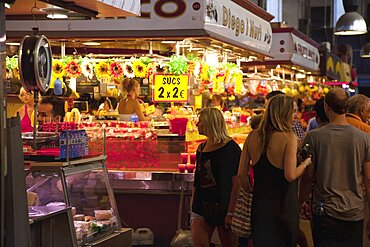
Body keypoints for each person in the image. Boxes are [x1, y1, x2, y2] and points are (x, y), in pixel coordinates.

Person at [229, 94, 311, 247]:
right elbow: (290, 175)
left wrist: (252, 190)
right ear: (284, 113)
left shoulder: (253, 136)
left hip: (260, 208)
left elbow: (241, 174)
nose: (295, 115)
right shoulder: (289, 138)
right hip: (285, 208)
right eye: (292, 111)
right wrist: (305, 164)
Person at [299, 88, 370, 247]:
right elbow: (368, 178)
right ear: (346, 107)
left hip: (325, 213)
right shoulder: (365, 138)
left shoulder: (313, 137)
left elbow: (307, 177)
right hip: (354, 212)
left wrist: (300, 203)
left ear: (326, 106)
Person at [191, 107, 241, 247]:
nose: (196, 125)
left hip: (224, 205)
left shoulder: (231, 149)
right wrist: (193, 206)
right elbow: (198, 179)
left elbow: (236, 183)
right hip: (202, 204)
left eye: (200, 121)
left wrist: (231, 212)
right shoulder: (201, 148)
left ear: (209, 123)